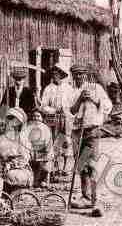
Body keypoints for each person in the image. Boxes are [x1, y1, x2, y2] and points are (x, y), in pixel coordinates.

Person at [69, 64, 112, 215]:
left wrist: (93, 99)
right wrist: (80, 99)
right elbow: (72, 110)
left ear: (86, 75)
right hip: (76, 132)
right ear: (73, 77)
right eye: (76, 75)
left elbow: (107, 106)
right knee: (81, 166)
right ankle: (85, 196)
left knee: (92, 165)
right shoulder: (73, 91)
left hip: (92, 131)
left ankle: (95, 200)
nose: (78, 77)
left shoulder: (96, 88)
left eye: (81, 74)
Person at [40, 64, 76, 176]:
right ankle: (55, 168)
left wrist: (67, 111)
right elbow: (43, 106)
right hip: (53, 119)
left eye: (58, 74)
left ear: (61, 75)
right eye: (54, 74)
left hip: (66, 119)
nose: (55, 76)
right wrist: (53, 110)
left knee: (66, 142)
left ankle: (66, 168)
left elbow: (74, 104)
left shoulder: (69, 89)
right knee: (54, 143)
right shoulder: (48, 88)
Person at [0, 107, 33, 192]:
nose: (11, 122)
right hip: (1, 166)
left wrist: (10, 165)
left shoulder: (22, 138)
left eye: (15, 120)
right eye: (9, 118)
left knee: (11, 175)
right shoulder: (1, 137)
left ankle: (15, 192)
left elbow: (24, 159)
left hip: (18, 168)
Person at [21, 108, 54, 188]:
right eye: (34, 116)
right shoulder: (28, 128)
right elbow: (25, 140)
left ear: (42, 118)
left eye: (38, 116)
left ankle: (44, 180)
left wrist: (43, 149)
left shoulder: (46, 128)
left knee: (44, 165)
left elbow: (48, 142)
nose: (36, 118)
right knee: (31, 163)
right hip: (32, 150)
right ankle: (34, 180)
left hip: (44, 151)